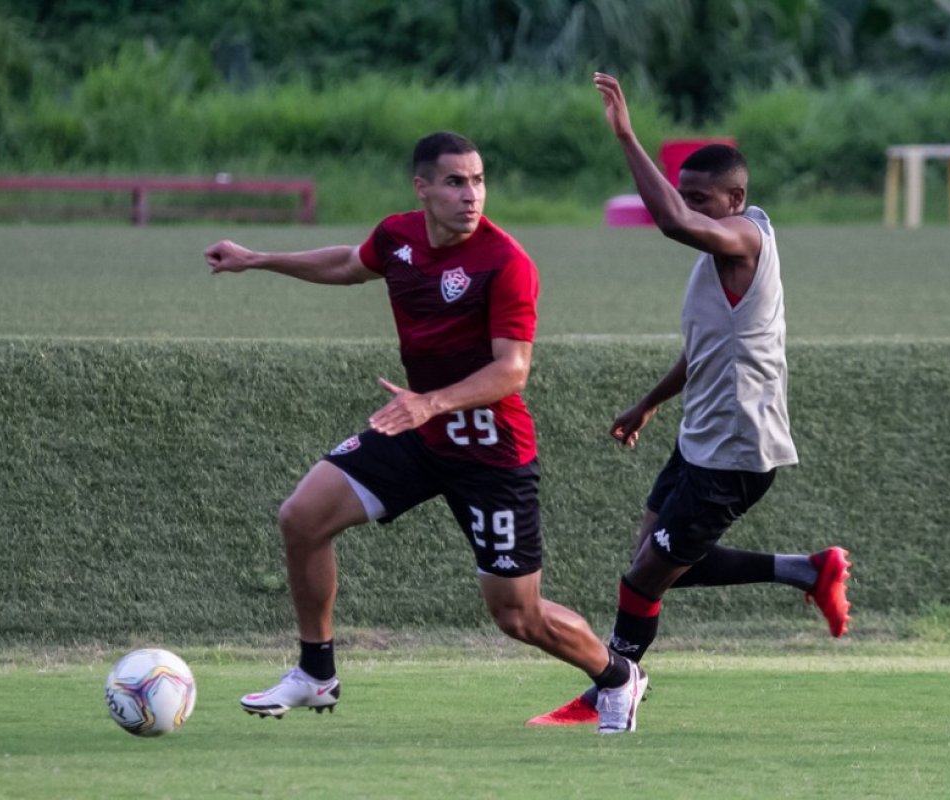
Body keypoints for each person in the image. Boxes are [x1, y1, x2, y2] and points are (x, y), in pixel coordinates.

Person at [204, 131, 645, 734]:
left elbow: (512, 370)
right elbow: (348, 263)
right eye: (456, 182)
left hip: (491, 452)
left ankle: (618, 677)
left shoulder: (506, 263)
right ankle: (316, 673)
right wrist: (258, 259)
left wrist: (429, 403)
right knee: (302, 517)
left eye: (479, 180)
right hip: (420, 432)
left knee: (516, 617)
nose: (472, 195)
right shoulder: (398, 237)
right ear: (423, 188)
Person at [526, 75, 851, 727]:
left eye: (704, 199)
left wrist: (625, 135)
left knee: (644, 580)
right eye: (689, 196)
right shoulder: (717, 253)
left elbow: (672, 221)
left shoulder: (746, 243)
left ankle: (611, 689)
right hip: (701, 439)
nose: (691, 207)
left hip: (735, 451)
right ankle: (809, 571)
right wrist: (649, 403)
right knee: (655, 563)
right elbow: (704, 347)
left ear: (737, 199)